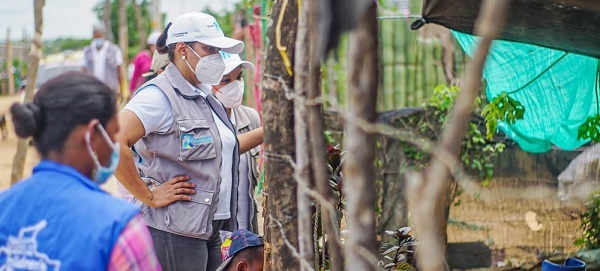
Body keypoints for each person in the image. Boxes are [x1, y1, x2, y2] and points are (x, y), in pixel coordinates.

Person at [115, 12, 263, 271]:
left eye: (218, 49)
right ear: (183, 49)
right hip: (176, 231)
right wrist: (148, 195)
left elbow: (225, 148)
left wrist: (270, 130)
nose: (216, 56)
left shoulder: (205, 95)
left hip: (215, 226)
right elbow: (113, 141)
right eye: (209, 48)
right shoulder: (158, 97)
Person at [0, 72, 161, 270]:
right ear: (93, 134)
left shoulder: (4, 206)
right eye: (113, 135)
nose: (114, 146)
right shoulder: (119, 225)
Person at [212, 52, 261, 233]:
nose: (235, 85)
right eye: (225, 80)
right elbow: (224, 147)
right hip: (213, 230)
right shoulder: (201, 121)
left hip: (245, 227)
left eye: (239, 77)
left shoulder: (250, 118)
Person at [82, 25, 124, 97]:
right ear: (93, 36)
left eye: (100, 36)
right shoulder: (87, 51)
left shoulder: (114, 50)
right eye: (96, 37)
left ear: (104, 35)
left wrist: (121, 90)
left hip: (110, 89)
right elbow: (83, 71)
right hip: (93, 90)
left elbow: (120, 70)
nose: (98, 39)